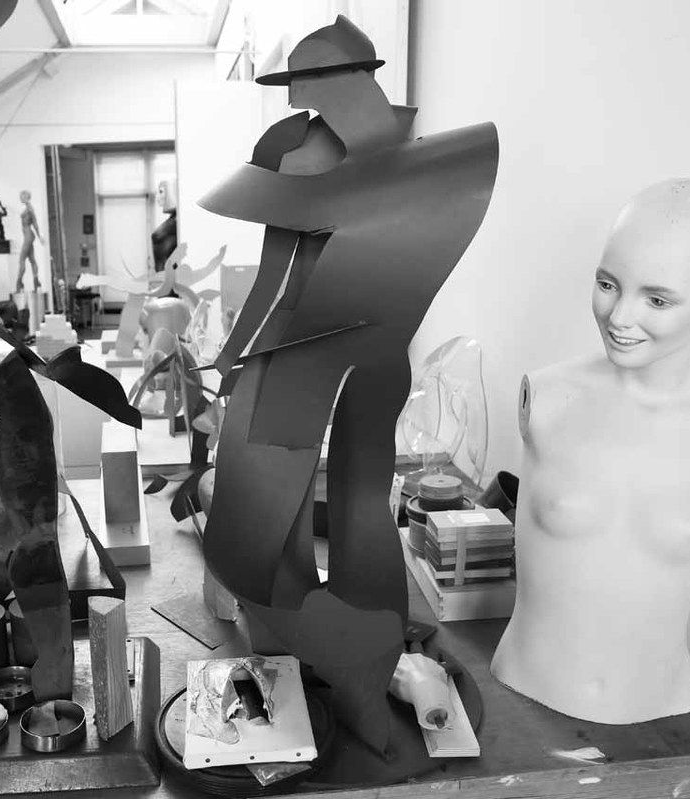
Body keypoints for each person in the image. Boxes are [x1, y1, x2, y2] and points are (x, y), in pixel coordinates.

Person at [200, 16, 497, 753]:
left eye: (310, 81)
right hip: (296, 349)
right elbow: (276, 269)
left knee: (364, 502)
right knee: (271, 507)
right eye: (295, 83)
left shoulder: (425, 162)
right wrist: (236, 351)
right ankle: (298, 642)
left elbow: (409, 269)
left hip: (375, 349)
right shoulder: (288, 147)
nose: (297, 96)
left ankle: (369, 650)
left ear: (359, 77)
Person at [490, 179, 690, 724]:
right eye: (607, 284)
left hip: (665, 703)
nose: (619, 317)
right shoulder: (548, 397)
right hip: (525, 685)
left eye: (658, 300)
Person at [16, 190, 45, 291]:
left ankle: (19, 282)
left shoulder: (30, 208)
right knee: (32, 259)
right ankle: (36, 282)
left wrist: (40, 236)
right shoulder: (28, 208)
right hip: (28, 235)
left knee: (22, 259)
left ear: (26, 197)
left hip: (28, 235)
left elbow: (35, 223)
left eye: (21, 196)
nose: (20, 198)